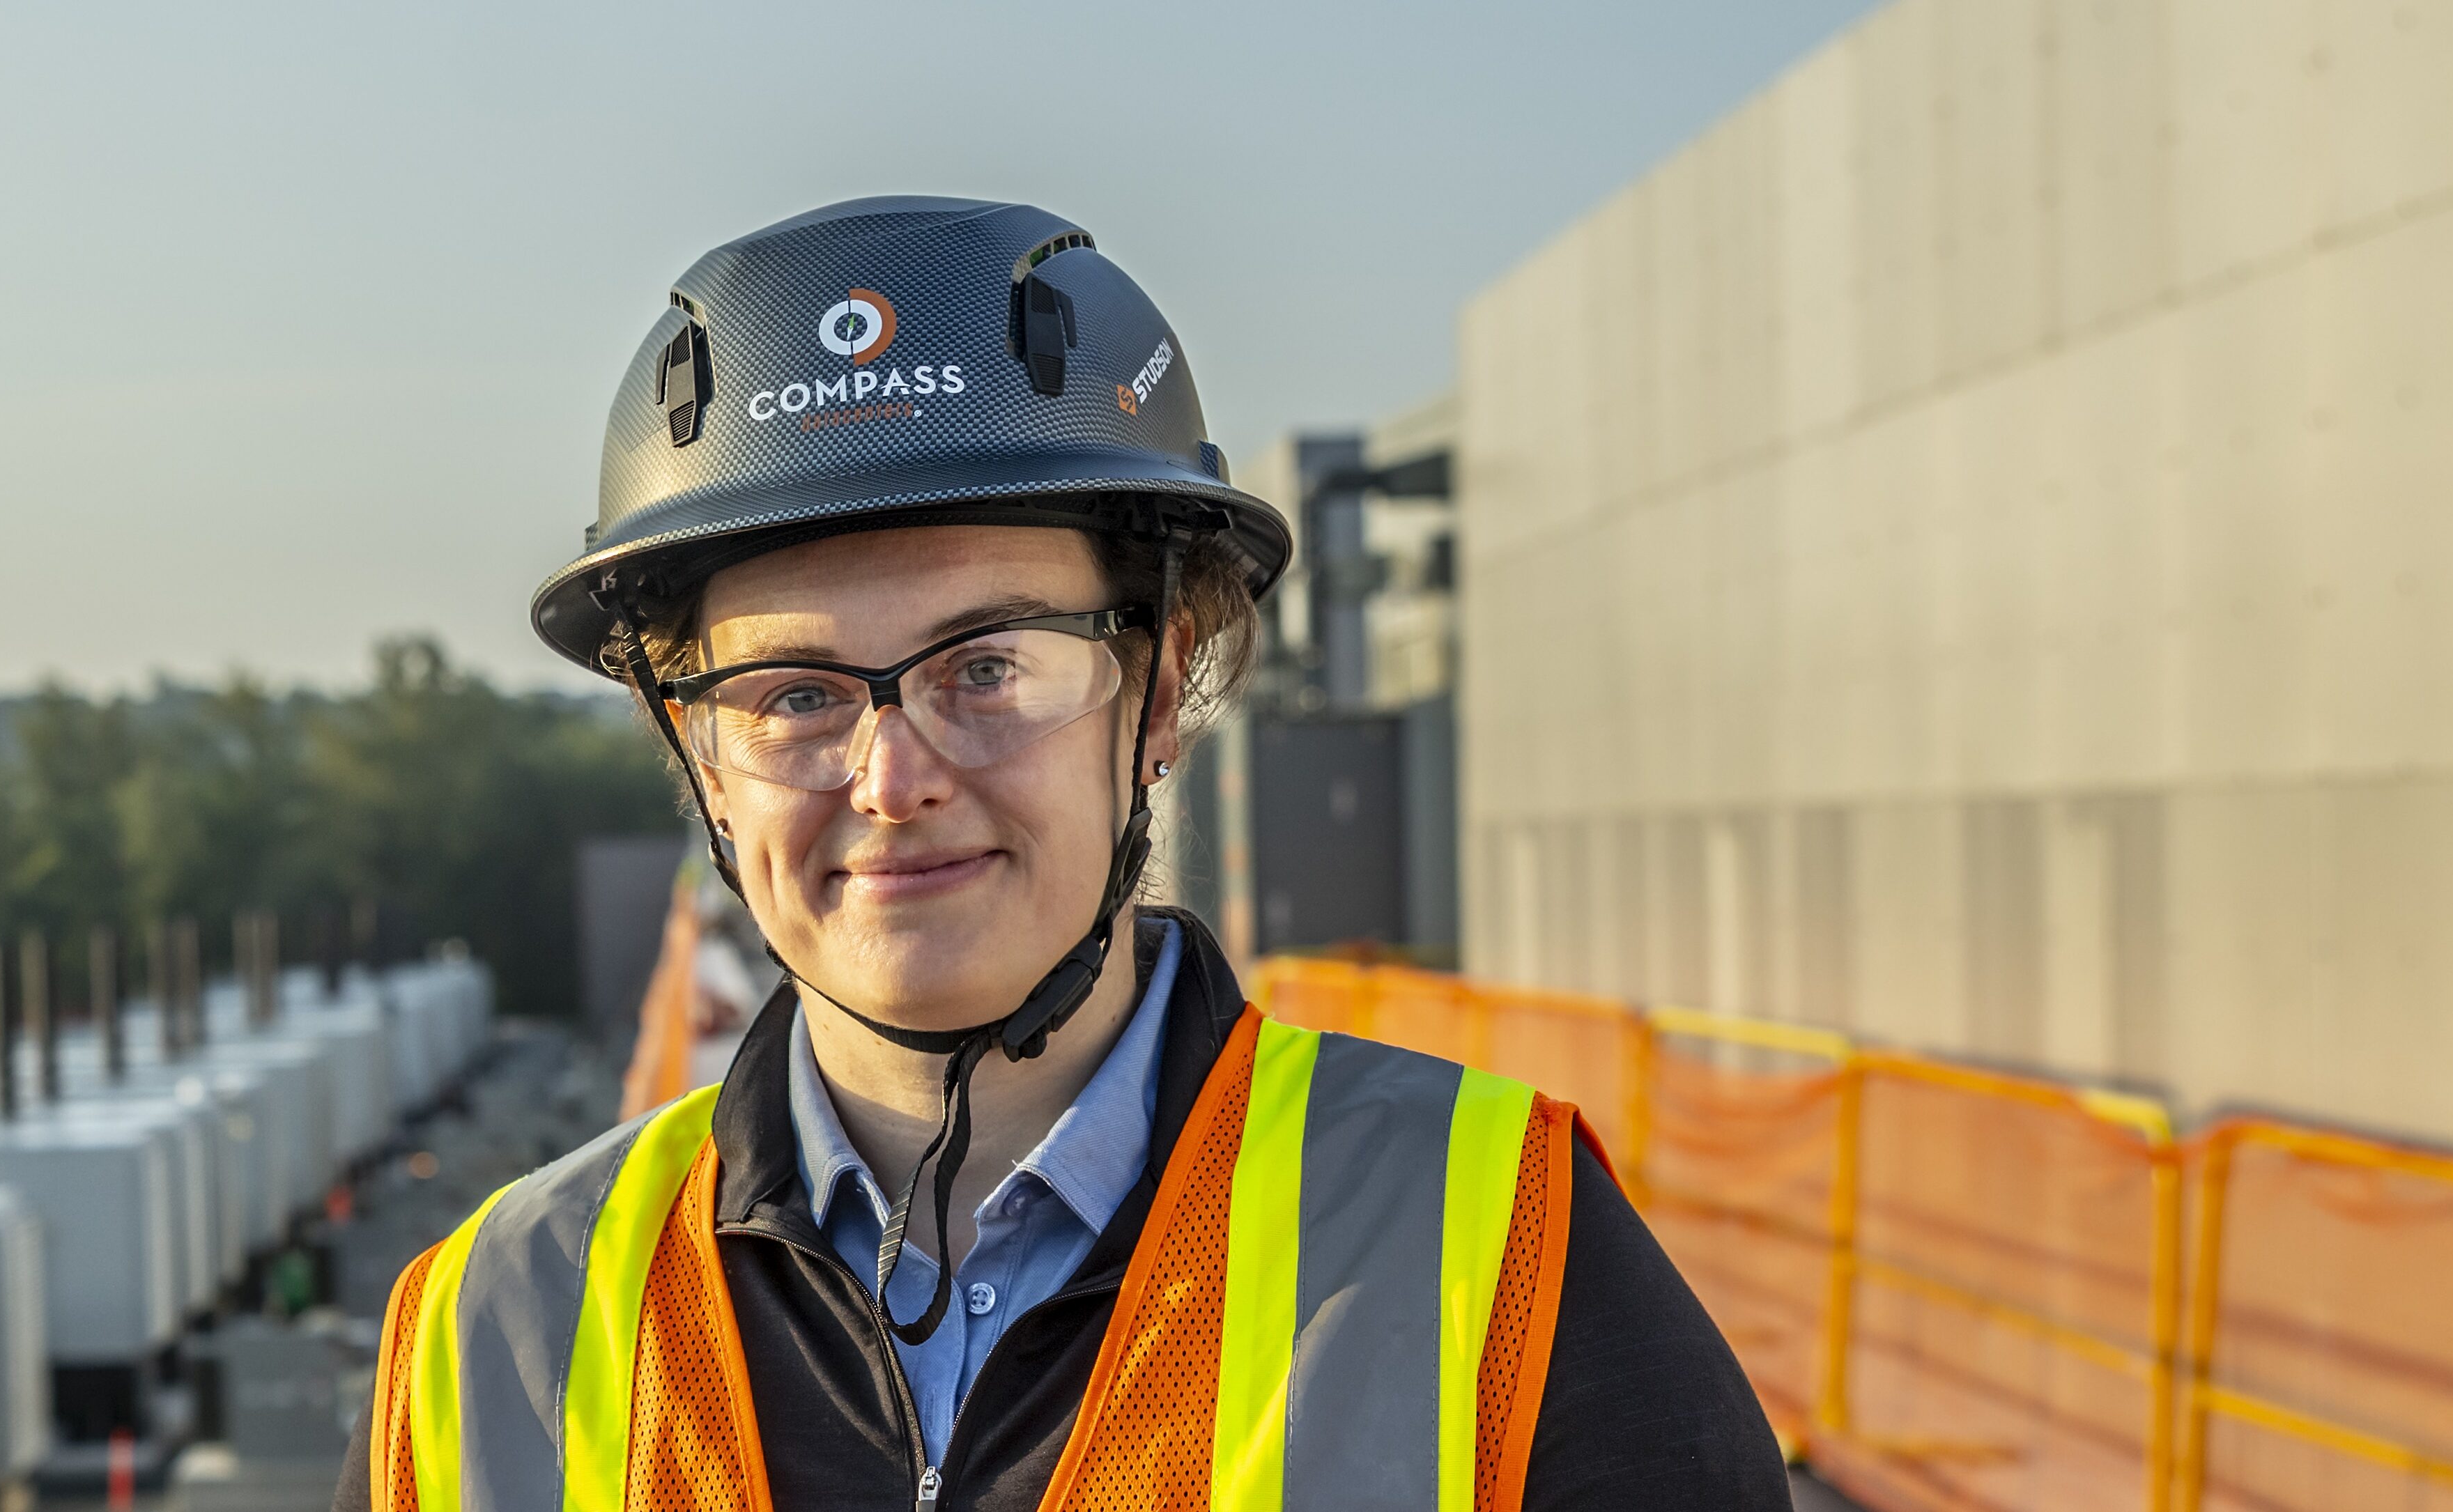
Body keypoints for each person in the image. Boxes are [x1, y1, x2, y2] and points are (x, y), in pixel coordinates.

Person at [342, 198, 1783, 1512]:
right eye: (792, 695)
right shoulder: (488, 1333)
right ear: (702, 761)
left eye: (989, 666)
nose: (892, 777)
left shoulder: (1495, 1254)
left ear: (1157, 694)